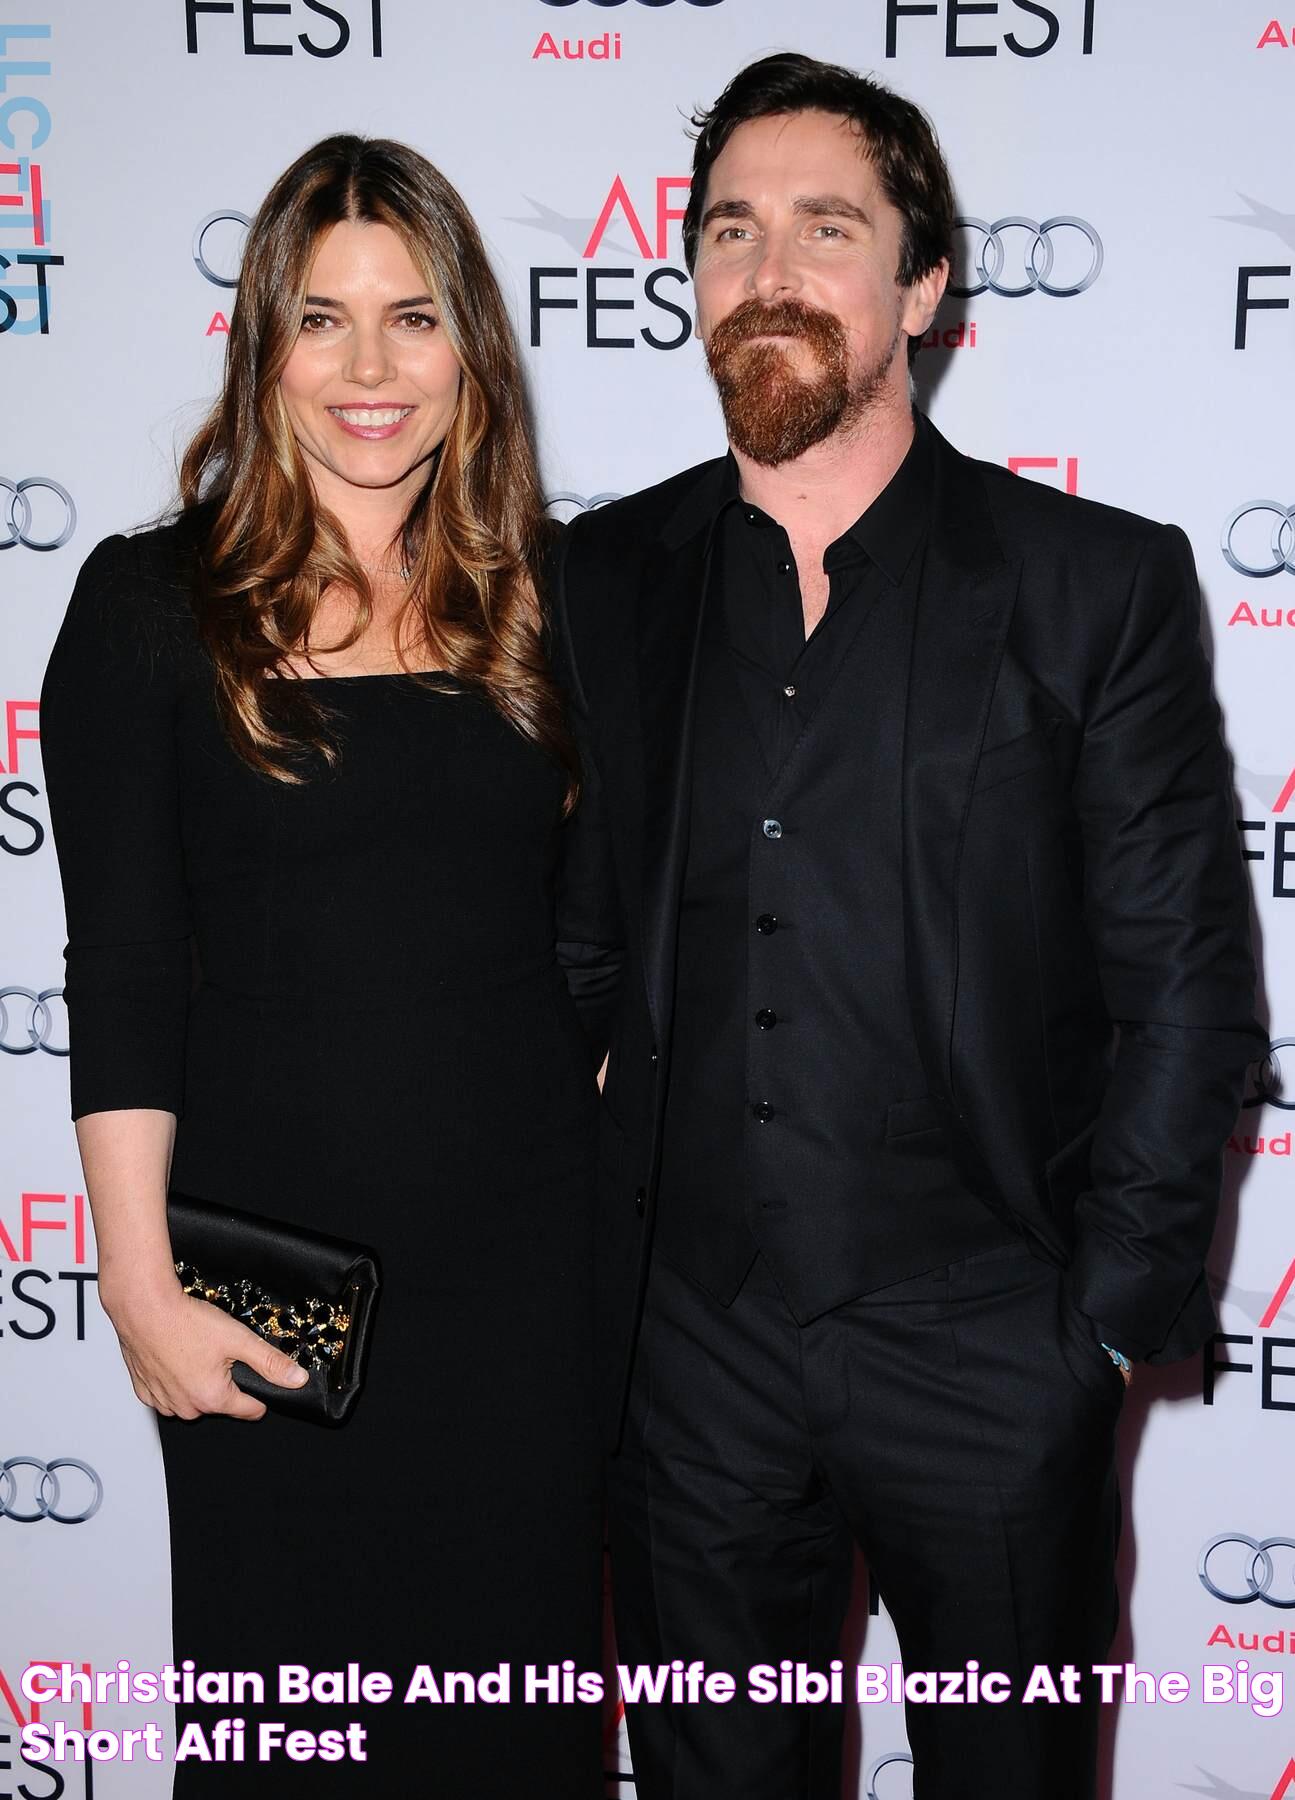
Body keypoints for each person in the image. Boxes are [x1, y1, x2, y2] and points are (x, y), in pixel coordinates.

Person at [551, 52, 1259, 1800]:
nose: (767, 271)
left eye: (826, 227)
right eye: (728, 230)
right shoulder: (599, 582)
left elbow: (1185, 981)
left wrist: (1092, 1333)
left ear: (923, 286)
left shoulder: (1093, 584)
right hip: (691, 1370)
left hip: (989, 1352)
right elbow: (567, 941)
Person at [41, 135, 604, 1796]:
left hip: (529, 1287)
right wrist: (139, 1282)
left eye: (414, 318)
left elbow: (610, 935)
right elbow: (125, 966)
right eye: (322, 318)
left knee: (514, 1731)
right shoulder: (154, 605)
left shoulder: (551, 596)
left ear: (470, 350)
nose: (371, 368)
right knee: (295, 1731)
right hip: (270, 1282)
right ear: (260, 344)